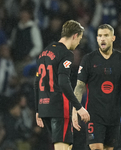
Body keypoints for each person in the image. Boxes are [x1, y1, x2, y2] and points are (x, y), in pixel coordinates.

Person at [72, 24, 121, 150]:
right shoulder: (88, 59)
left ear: (113, 38)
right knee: (96, 148)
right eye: (100, 36)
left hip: (113, 115)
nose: (102, 38)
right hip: (94, 114)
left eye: (106, 35)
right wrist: (75, 110)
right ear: (96, 39)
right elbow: (79, 86)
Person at [34, 20, 90, 150]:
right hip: (59, 107)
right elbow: (63, 82)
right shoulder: (66, 54)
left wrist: (38, 109)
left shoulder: (43, 53)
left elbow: (37, 82)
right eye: (79, 39)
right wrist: (79, 107)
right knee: (62, 147)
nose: (78, 43)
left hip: (44, 107)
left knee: (67, 145)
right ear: (74, 35)